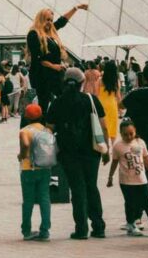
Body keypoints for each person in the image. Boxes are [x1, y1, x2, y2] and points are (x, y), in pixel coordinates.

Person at [46, 67, 109, 239]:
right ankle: (98, 226)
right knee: (91, 186)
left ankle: (81, 228)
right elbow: (103, 126)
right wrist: (106, 149)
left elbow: (49, 130)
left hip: (68, 153)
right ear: (82, 83)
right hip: (92, 152)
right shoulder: (91, 100)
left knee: (77, 188)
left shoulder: (58, 102)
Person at [26, 4, 88, 111]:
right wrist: (53, 66)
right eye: (47, 19)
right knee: (44, 103)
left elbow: (61, 22)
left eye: (51, 20)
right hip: (42, 75)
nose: (50, 22)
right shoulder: (33, 34)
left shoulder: (50, 33)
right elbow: (37, 58)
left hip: (55, 74)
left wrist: (76, 8)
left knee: (61, 99)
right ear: (41, 19)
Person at [106, 117, 148, 236]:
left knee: (147, 202)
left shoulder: (140, 142)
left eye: (131, 134)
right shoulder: (118, 146)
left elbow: (146, 159)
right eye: (125, 135)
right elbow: (114, 162)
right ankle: (131, 224)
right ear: (121, 134)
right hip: (126, 181)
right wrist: (110, 177)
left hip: (141, 179)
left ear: (135, 131)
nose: (128, 137)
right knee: (130, 202)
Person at [18, 103, 54, 241]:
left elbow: (26, 144)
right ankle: (45, 230)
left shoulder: (24, 131)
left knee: (28, 201)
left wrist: (21, 154)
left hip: (28, 169)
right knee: (45, 198)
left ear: (26, 117)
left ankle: (26, 230)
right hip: (44, 168)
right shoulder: (47, 130)